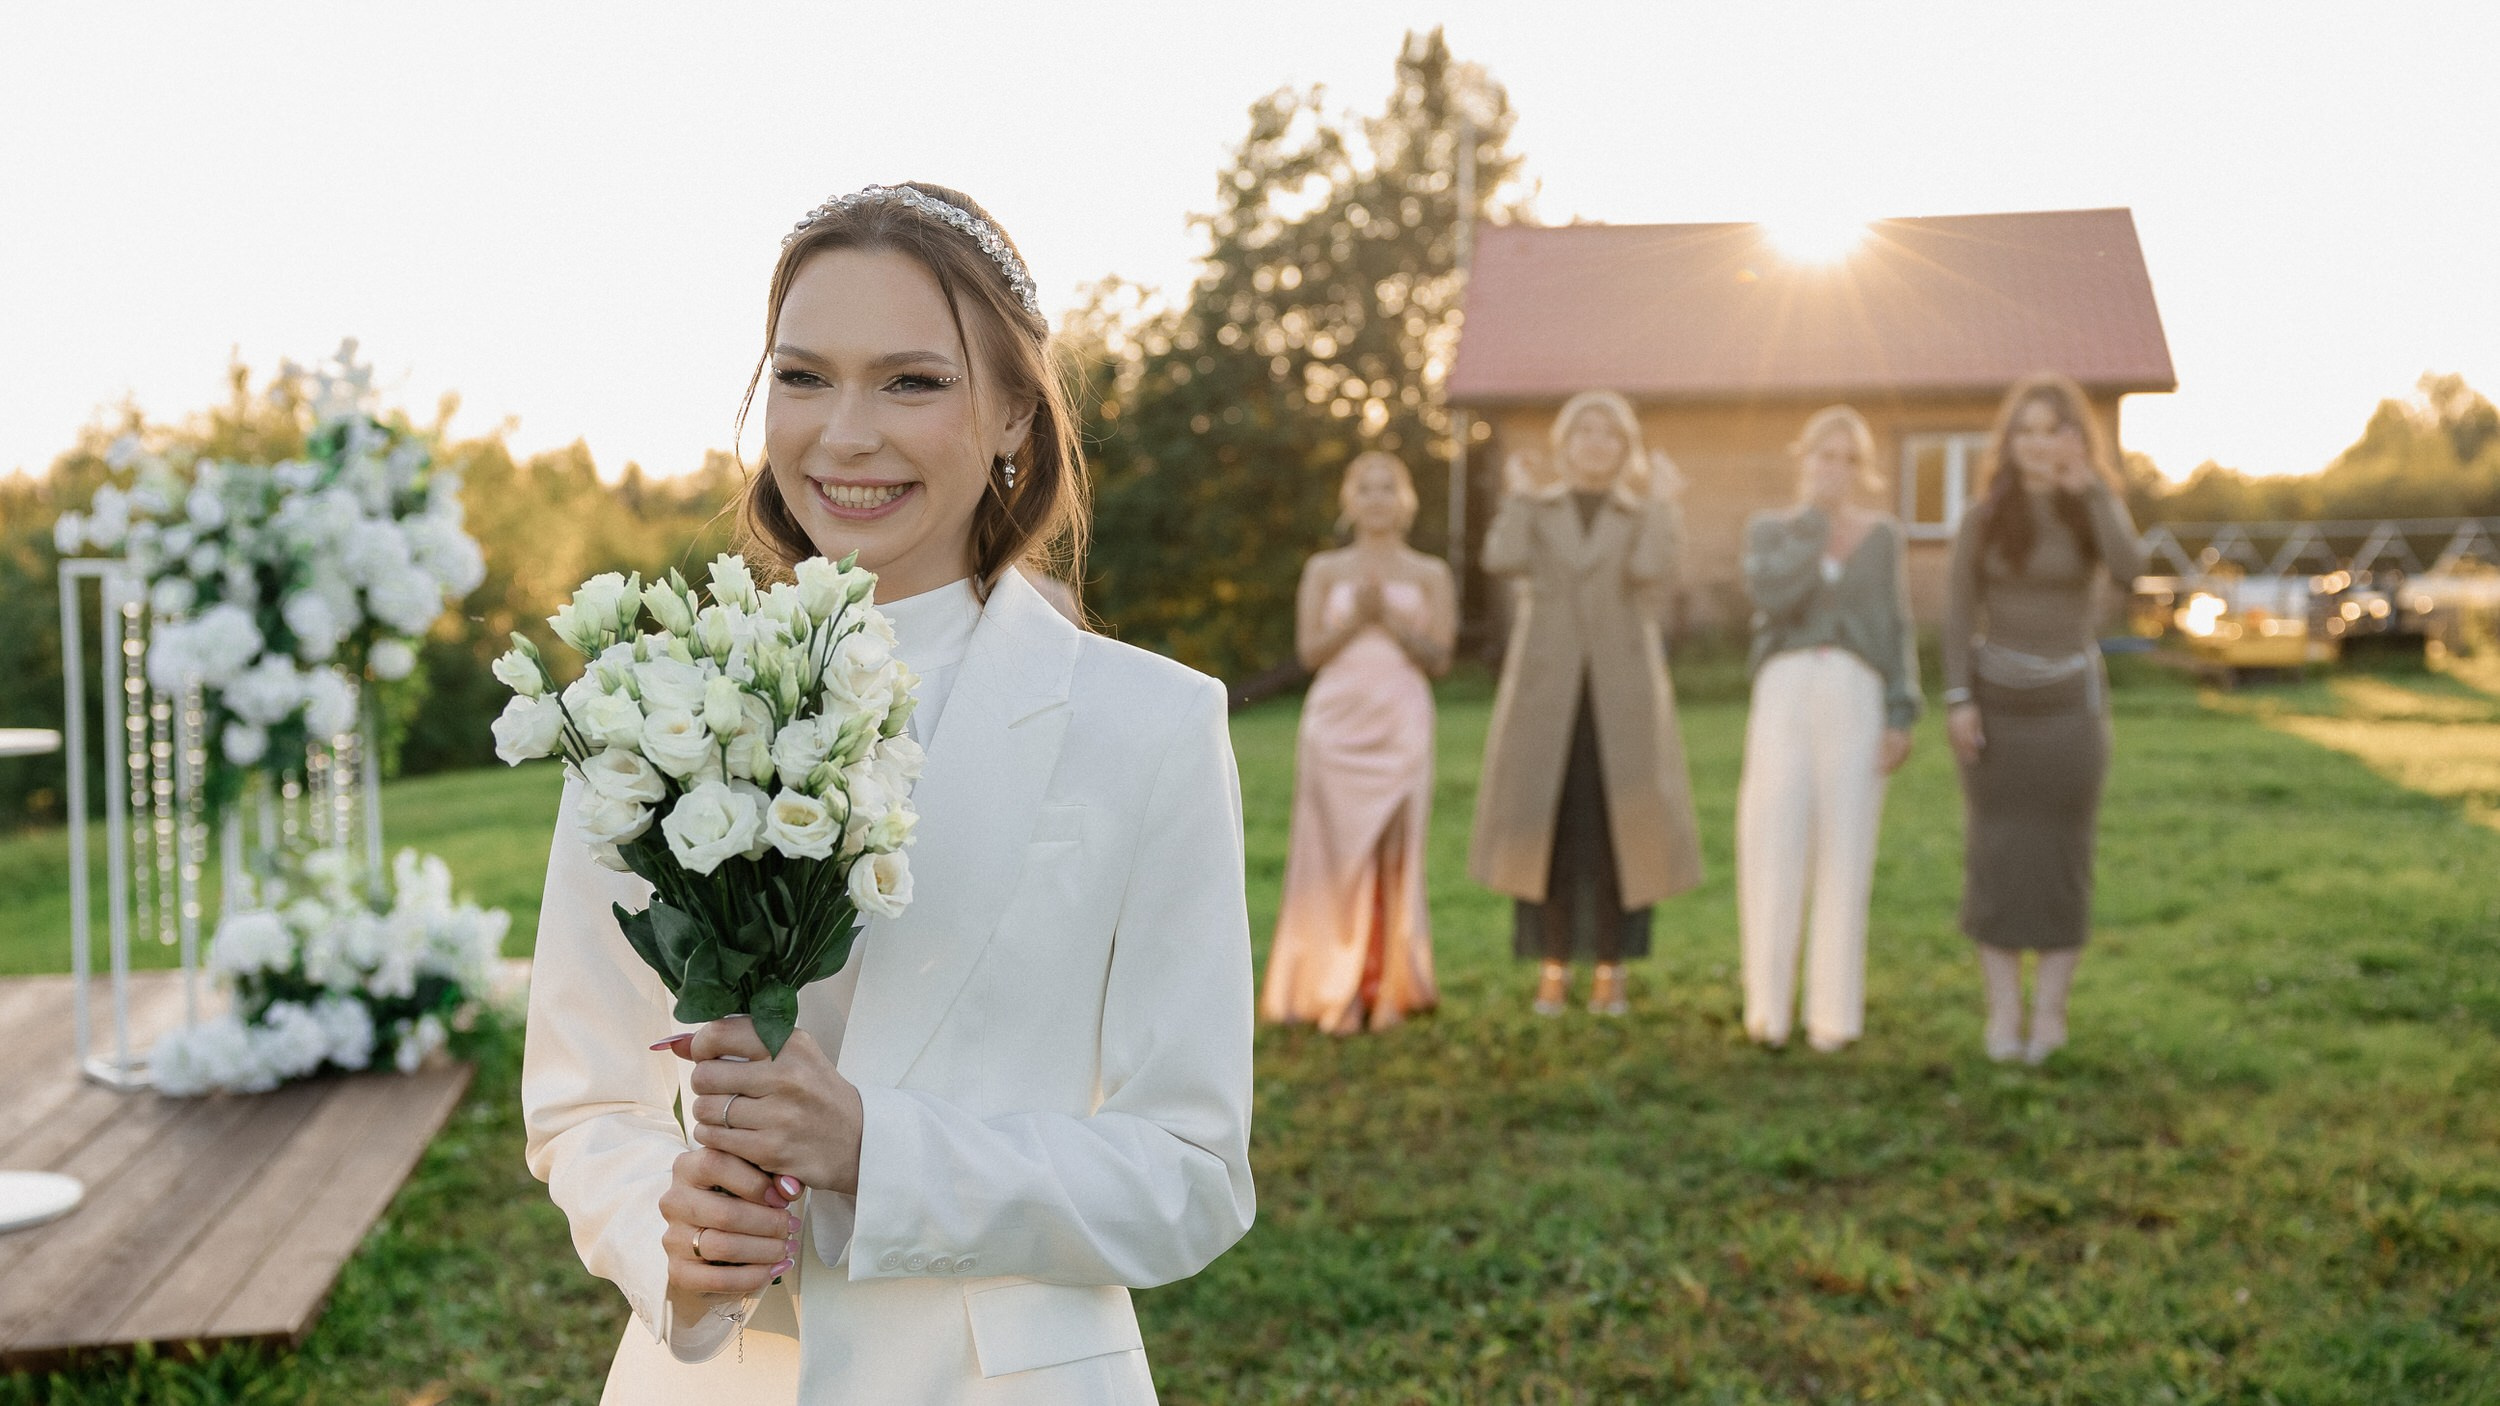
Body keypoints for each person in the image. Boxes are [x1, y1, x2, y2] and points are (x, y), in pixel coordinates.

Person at [521, 182, 1255, 1402]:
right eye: (803, 377)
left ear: (1015, 408)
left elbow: (1191, 1174)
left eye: (910, 381)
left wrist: (877, 1150)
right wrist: (677, 1240)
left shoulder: (1151, 726)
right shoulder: (646, 704)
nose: (844, 434)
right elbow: (582, 1096)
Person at [1471, 389, 1704, 1016]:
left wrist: (1662, 505)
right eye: (1584, 431)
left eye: (1610, 434)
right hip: (1546, 695)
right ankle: (1551, 967)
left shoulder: (1643, 511)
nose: (1596, 443)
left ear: (1626, 450)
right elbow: (1502, 556)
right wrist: (1517, 498)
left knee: (1617, 830)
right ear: (1563, 444)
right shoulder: (1536, 506)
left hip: (1622, 695)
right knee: (1548, 829)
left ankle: (1610, 968)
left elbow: (1655, 569)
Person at [1944, 372, 2145, 1064]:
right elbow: (1955, 614)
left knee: (2063, 857)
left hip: (2070, 711)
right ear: (2008, 441)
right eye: (2022, 431)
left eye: (2049, 430)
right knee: (1995, 858)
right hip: (1996, 709)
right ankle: (2003, 1012)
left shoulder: (2090, 506)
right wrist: (1957, 698)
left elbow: (2130, 568)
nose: (2034, 445)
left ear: (2073, 438)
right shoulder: (1981, 517)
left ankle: (2051, 1015)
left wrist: (2090, 485)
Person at [1736, 406, 1919, 1053]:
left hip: (1856, 691)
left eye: (1847, 458)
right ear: (1803, 459)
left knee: (1846, 847)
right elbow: (1773, 596)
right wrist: (1814, 524)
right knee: (1774, 837)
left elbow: (1895, 625)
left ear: (1862, 468)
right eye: (1823, 455)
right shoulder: (1774, 530)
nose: (1834, 468)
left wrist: (1902, 709)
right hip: (1785, 690)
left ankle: (1833, 1017)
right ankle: (1768, 1011)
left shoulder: (1882, 536)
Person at [1261, 451, 1454, 1034]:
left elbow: (1441, 658)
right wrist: (1356, 619)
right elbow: (1309, 653)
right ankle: (1329, 987)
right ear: (1350, 501)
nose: (1377, 498)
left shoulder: (1430, 573)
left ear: (1405, 501)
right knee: (1332, 855)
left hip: (1400, 717)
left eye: (1387, 488)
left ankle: (1387, 986)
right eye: (1366, 488)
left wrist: (1389, 621)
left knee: (1393, 849)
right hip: (1335, 721)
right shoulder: (1324, 569)